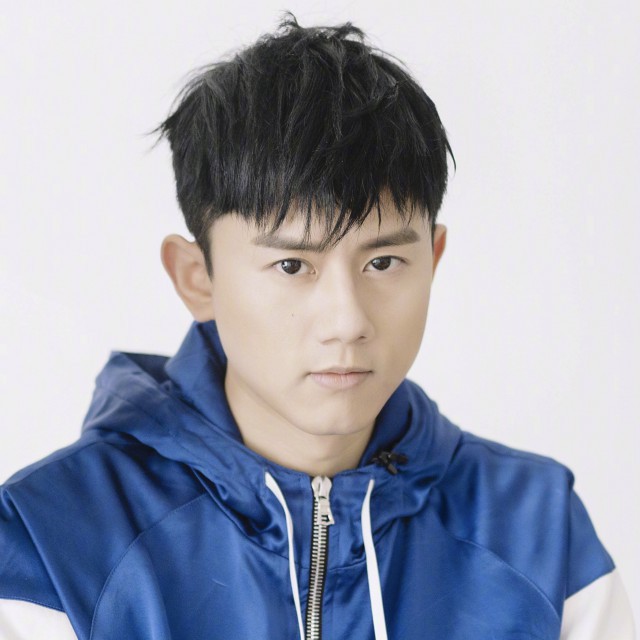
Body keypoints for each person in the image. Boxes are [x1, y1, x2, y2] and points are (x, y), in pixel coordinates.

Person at [0, 13, 634, 640]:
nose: (347, 321)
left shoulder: (540, 531)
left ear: (433, 260)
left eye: (383, 262)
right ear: (198, 278)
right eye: (291, 265)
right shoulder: (52, 541)